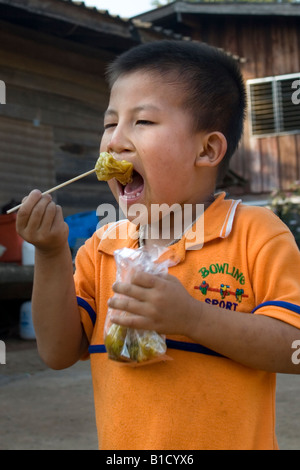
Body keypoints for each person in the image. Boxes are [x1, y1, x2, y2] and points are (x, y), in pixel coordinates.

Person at [16, 40, 300, 450]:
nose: (114, 141)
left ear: (207, 150)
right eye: (109, 123)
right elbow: (58, 353)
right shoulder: (101, 246)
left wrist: (193, 319)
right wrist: (49, 252)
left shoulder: (256, 233)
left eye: (142, 122)